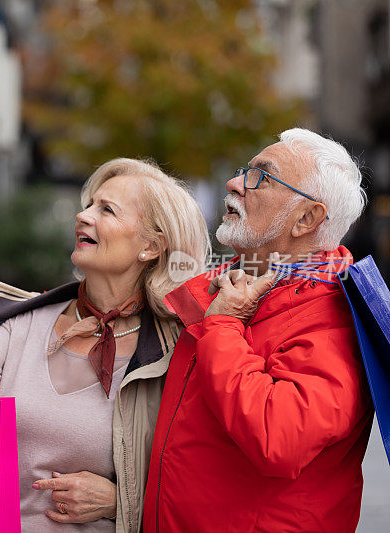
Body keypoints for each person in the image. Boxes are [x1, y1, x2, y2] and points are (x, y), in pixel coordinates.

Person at [0, 158, 209, 532]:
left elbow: (204, 484)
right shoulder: (26, 321)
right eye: (89, 203)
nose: (83, 215)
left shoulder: (175, 352)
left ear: (151, 247)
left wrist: (120, 499)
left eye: (106, 209)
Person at [142, 128, 373, 532]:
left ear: (307, 218)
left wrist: (223, 326)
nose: (235, 184)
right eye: (244, 171)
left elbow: (279, 438)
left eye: (261, 177)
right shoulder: (232, 286)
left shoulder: (334, 317)